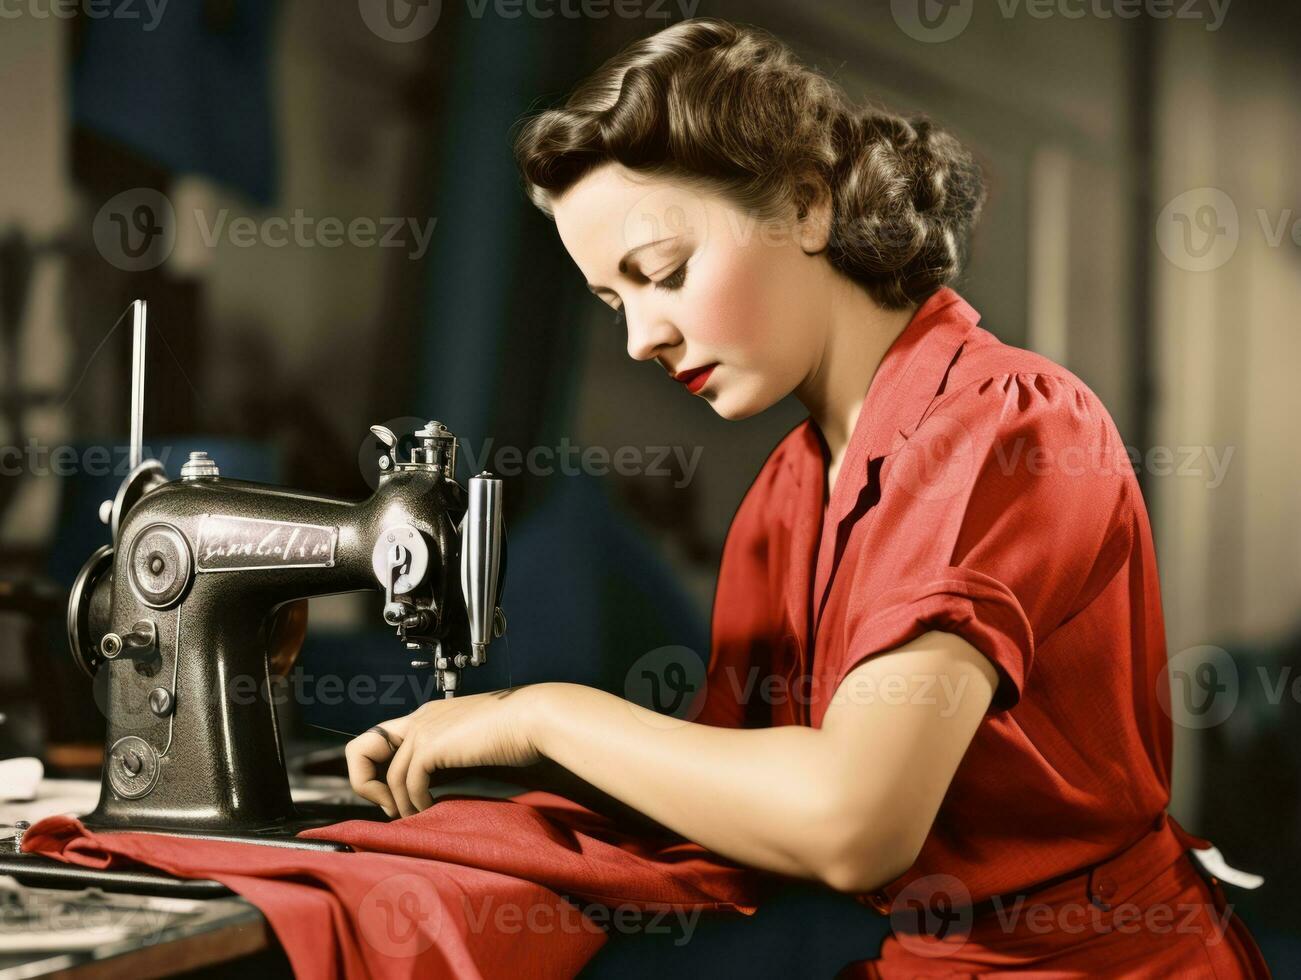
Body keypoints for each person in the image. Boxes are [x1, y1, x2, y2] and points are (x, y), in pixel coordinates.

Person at [345, 18, 1270, 977]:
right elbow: (736, 798)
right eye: (613, 303)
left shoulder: (1003, 429)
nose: (639, 339)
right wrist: (480, 742)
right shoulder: (789, 494)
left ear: (806, 206)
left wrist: (545, 715)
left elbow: (851, 824)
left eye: (662, 273)